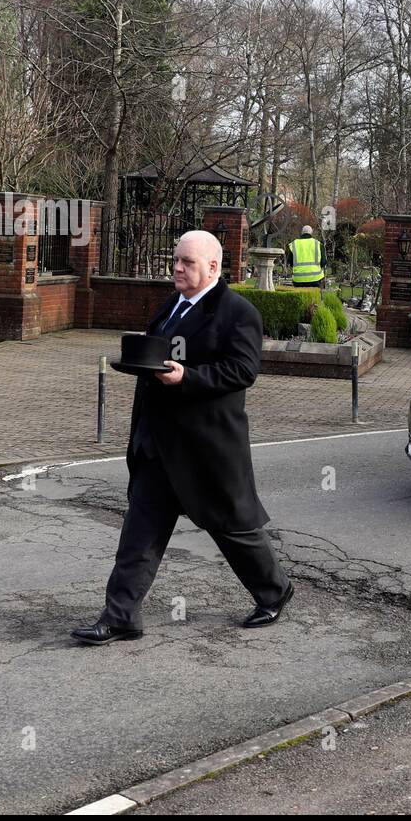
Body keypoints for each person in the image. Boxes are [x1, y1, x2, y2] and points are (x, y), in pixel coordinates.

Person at [70, 230, 292, 645]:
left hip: (206, 449)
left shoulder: (237, 312)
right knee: (139, 533)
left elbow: (243, 371)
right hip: (157, 445)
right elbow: (157, 358)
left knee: (233, 529)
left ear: (213, 267)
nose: (177, 267)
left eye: (187, 262)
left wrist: (187, 376)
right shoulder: (171, 305)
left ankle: (274, 591)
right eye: (176, 260)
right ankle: (121, 616)